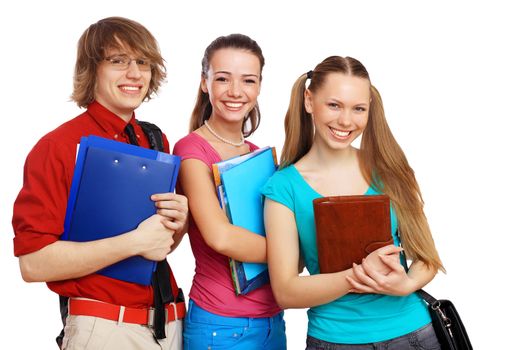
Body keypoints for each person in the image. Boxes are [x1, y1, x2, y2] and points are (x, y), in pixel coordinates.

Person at [12, 17, 188, 350]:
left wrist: (178, 223)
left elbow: (156, 248)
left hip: (170, 324)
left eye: (142, 62)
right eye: (118, 61)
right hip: (106, 329)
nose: (134, 73)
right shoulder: (58, 146)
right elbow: (32, 263)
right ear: (92, 69)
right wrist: (133, 241)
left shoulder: (154, 139)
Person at [262, 56, 445, 349]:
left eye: (358, 109)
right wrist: (361, 274)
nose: (346, 121)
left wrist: (406, 284)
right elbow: (286, 291)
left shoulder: (389, 170)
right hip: (336, 340)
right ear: (309, 101)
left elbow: (426, 257)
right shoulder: (284, 188)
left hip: (415, 335)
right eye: (334, 105)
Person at [173, 34, 286, 349]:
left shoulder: (258, 155)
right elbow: (220, 237)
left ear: (259, 87)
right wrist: (292, 251)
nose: (236, 92)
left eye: (248, 80)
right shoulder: (191, 150)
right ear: (204, 83)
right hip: (220, 324)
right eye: (223, 79)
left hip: (273, 320)